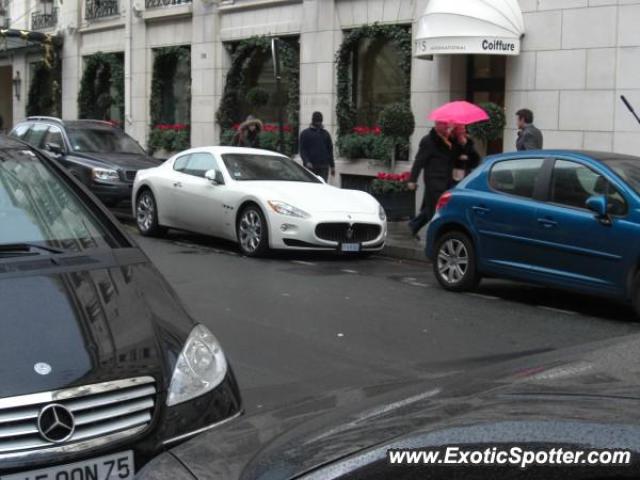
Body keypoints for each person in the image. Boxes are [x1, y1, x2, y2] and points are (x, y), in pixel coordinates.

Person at [407, 122, 457, 237]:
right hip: (434, 181)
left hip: (447, 180)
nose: (447, 126)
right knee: (440, 208)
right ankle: (437, 236)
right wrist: (412, 180)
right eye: (444, 124)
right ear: (437, 125)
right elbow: (419, 162)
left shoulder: (449, 139)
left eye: (447, 124)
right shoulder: (428, 141)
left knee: (431, 208)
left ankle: (413, 226)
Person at [299, 111, 335, 181]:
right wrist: (306, 162)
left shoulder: (325, 134)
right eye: (317, 122)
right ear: (313, 121)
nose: (319, 123)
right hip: (311, 166)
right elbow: (302, 150)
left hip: (324, 166)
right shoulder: (305, 133)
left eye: (320, 122)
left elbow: (330, 150)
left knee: (322, 185)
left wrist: (332, 166)